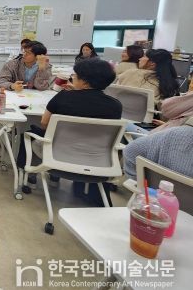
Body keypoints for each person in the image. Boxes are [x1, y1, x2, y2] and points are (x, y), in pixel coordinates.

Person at [17, 59, 123, 195]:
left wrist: (74, 93)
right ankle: (54, 178)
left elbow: (44, 123)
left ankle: (31, 177)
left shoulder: (64, 97)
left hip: (58, 155)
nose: (72, 78)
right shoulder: (115, 105)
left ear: (85, 81)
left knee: (32, 134)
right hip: (97, 159)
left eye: (75, 76)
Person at [123, 119, 193, 179]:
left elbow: (131, 150)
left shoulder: (177, 134)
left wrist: (138, 185)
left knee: (126, 126)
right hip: (165, 136)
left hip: (166, 137)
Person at [115, 48, 179, 107]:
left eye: (144, 56)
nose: (140, 59)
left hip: (120, 112)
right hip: (147, 115)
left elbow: (114, 89)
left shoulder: (130, 73)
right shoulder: (168, 83)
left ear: (152, 63)